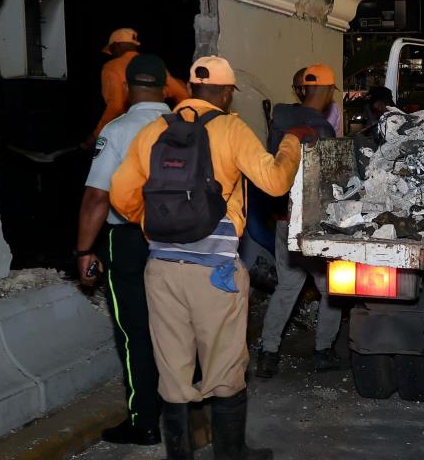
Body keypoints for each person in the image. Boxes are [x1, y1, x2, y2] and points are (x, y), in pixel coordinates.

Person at [111, 56, 308, 460]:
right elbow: (274, 180)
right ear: (225, 92)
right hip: (214, 272)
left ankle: (180, 454)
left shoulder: (153, 131)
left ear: (189, 86)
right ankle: (230, 454)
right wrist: (291, 145)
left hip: (162, 269)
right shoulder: (230, 128)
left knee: (172, 367)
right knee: (225, 367)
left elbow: (121, 196)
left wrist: (154, 227)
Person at [75, 54, 172, 446]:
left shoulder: (117, 130)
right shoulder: (186, 124)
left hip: (130, 240)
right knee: (177, 324)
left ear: (129, 89)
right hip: (184, 239)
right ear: (166, 88)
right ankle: (180, 408)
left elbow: (97, 197)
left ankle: (144, 420)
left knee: (136, 331)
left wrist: (84, 250)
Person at [257, 64, 342, 378]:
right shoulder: (323, 129)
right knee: (331, 289)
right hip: (311, 225)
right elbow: (332, 185)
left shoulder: (279, 121)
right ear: (327, 91)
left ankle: (268, 353)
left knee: (287, 288)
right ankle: (323, 351)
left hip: (283, 220)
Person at [93, 28, 190, 138]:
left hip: (128, 131)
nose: (112, 53)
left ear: (117, 45)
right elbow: (183, 94)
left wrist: (97, 135)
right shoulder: (153, 64)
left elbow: (115, 106)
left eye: (111, 49)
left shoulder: (111, 67)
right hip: (161, 128)